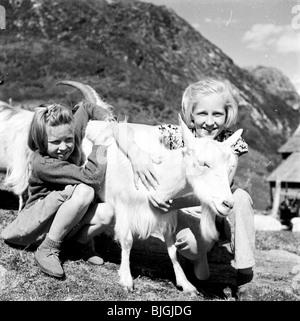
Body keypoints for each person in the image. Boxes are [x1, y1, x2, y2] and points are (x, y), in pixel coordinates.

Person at [113, 78, 255, 301]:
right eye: (202, 114)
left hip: (212, 214)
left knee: (242, 197)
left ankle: (245, 277)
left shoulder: (230, 144)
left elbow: (220, 189)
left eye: (217, 114)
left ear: (227, 115)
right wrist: (136, 154)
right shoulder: (177, 135)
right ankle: (199, 254)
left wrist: (168, 200)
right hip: (185, 219)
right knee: (195, 251)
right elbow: (120, 129)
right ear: (191, 114)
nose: (209, 122)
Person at [1, 102, 114, 279]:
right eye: (55, 142)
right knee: (84, 191)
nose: (64, 147)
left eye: (69, 139)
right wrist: (101, 144)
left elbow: (85, 108)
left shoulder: (67, 133)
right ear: (41, 142)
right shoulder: (44, 164)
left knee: (108, 212)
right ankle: (47, 248)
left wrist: (109, 120)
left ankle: (78, 244)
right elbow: (92, 177)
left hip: (63, 218)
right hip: (37, 224)